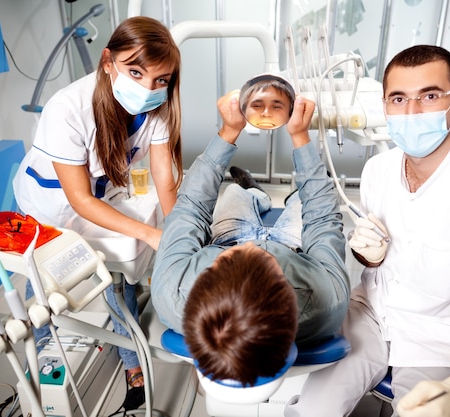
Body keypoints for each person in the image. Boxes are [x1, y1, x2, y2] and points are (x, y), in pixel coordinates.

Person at [284, 45, 450, 417]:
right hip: (372, 318)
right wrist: (366, 254)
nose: (410, 112)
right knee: (310, 411)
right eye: (398, 98)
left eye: (428, 96)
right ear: (385, 105)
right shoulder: (378, 170)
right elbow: (374, 266)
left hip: (442, 338)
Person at [12, 16, 182, 408]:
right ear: (108, 61)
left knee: (118, 281)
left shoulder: (155, 104)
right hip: (49, 206)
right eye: (135, 72)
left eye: (160, 79)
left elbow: (163, 176)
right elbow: (79, 201)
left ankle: (131, 361)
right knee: (42, 287)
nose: (148, 87)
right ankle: (38, 375)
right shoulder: (67, 108)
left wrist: (176, 230)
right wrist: (149, 233)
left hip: (98, 196)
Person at [150, 90, 350, 385]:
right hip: (296, 250)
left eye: (232, 258)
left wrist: (229, 132)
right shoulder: (328, 304)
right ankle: (285, 194)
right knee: (302, 203)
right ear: (288, 297)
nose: (253, 247)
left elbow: (190, 209)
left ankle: (252, 191)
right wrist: (300, 138)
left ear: (203, 279)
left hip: (226, 236)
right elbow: (323, 220)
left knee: (236, 194)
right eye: (266, 258)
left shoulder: (171, 290)